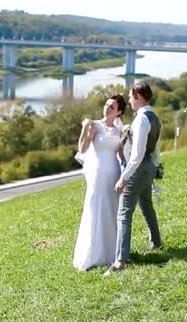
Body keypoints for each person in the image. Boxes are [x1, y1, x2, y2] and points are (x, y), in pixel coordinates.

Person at [106, 82, 162, 275]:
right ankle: (156, 242)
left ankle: (121, 260)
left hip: (137, 169)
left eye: (131, 96)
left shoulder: (140, 120)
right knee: (147, 206)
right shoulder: (154, 117)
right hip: (149, 167)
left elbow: (136, 155)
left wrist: (124, 177)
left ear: (138, 96)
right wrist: (154, 168)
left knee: (124, 213)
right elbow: (156, 148)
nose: (129, 99)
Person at [72, 94, 126, 271]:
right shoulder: (94, 125)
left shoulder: (119, 131)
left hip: (114, 174)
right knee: (95, 209)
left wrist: (126, 175)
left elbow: (121, 155)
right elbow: (82, 149)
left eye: (112, 107)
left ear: (118, 112)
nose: (107, 108)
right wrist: (85, 129)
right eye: (106, 105)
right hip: (97, 174)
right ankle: (93, 254)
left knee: (112, 210)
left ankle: (112, 253)